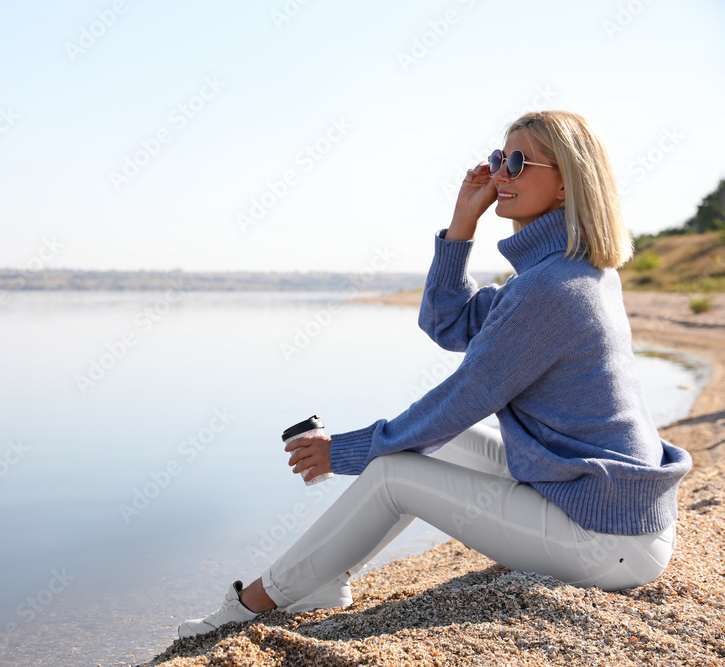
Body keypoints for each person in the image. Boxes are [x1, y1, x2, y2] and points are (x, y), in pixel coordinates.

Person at [177, 110, 693, 638]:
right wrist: (462, 221)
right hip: (609, 510)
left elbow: (464, 395)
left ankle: (256, 603)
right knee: (437, 443)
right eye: (498, 159)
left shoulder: (552, 289)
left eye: (517, 162)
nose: (500, 176)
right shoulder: (564, 272)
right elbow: (447, 321)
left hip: (605, 539)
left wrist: (347, 451)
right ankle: (325, 579)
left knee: (392, 473)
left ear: (566, 184)